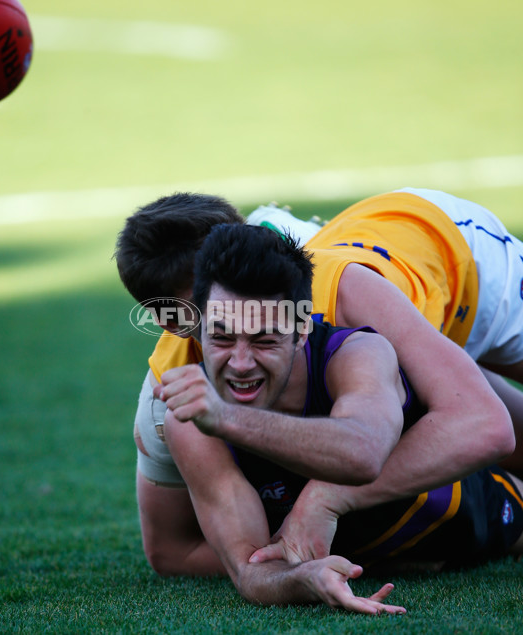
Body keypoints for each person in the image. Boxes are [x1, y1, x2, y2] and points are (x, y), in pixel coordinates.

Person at [114, 188, 521, 575]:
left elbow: (484, 425)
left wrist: (324, 500)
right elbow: (171, 552)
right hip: (395, 326)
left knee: (455, 406)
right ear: (175, 322)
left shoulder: (341, 294)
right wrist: (302, 560)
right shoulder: (170, 386)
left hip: (461, 258)